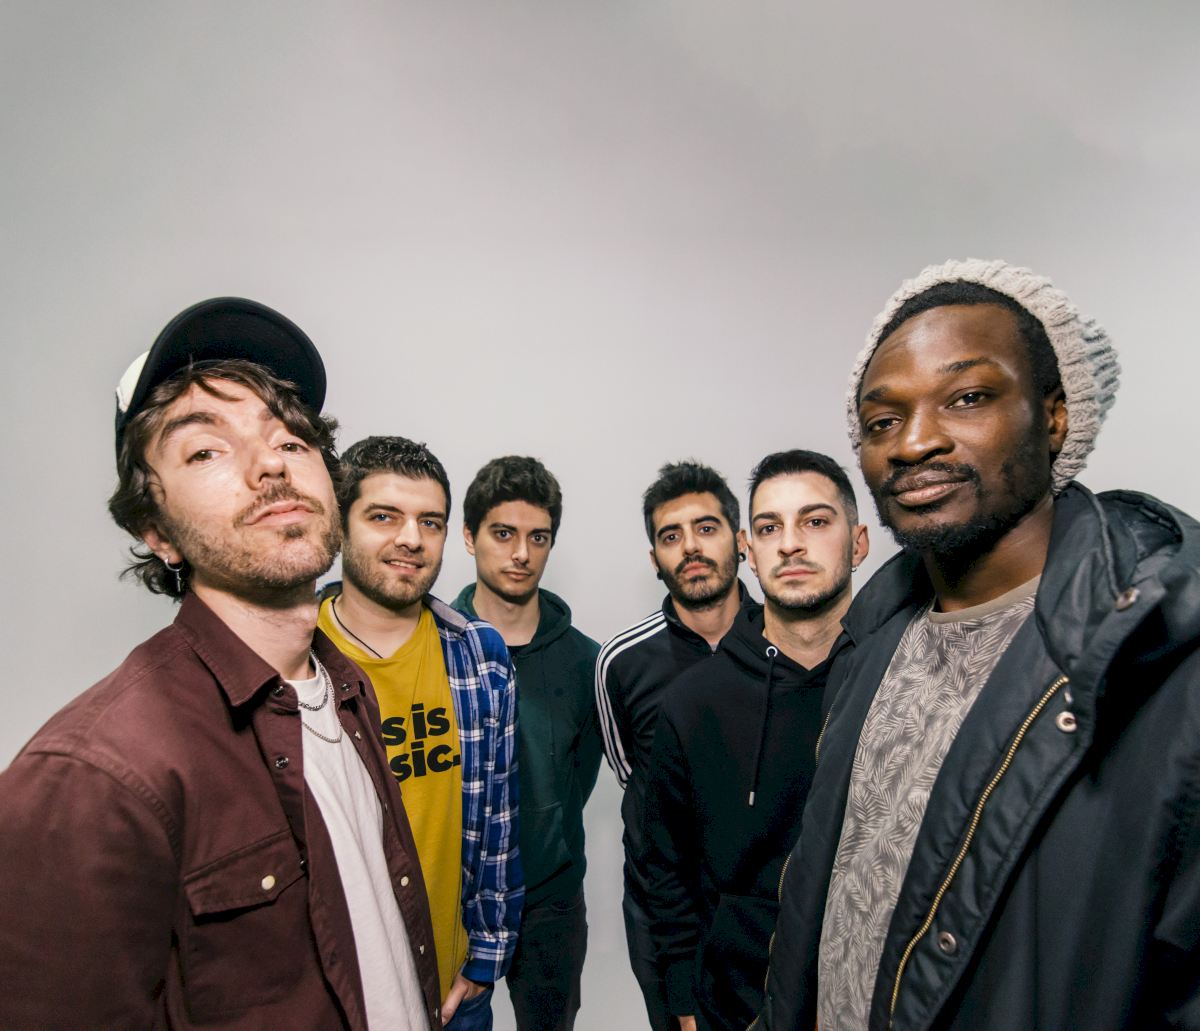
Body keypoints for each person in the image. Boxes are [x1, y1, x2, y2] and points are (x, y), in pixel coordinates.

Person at [760, 259, 1200, 1030]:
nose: (914, 441)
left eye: (967, 397)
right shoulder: (871, 637)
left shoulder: (1163, 662)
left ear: (1055, 415)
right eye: (882, 420)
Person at [0, 298, 439, 1029]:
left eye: (292, 439)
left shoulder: (347, 691)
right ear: (156, 530)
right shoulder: (89, 779)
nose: (271, 463)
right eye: (206, 450)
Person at [644, 450, 868, 1031]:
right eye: (770, 528)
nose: (790, 544)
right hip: (737, 1002)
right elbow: (665, 864)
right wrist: (684, 1003)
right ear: (749, 548)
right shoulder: (694, 701)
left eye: (815, 521)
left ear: (859, 543)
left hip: (873, 994)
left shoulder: (900, 682)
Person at [317, 436, 520, 1031]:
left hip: (456, 995)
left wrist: (484, 962)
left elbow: (499, 820)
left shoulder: (479, 653)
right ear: (339, 526)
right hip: (342, 997)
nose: (411, 538)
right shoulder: (292, 659)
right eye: (384, 516)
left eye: (429, 522)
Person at [596, 460, 755, 1030]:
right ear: (655, 558)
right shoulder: (621, 660)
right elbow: (632, 774)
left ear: (740, 541)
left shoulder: (788, 641)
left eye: (706, 528)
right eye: (671, 536)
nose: (690, 546)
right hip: (662, 912)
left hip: (762, 908)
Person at [451, 455, 603, 1031]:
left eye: (537, 538)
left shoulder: (586, 660)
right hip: (456, 897)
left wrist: (548, 829)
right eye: (503, 534)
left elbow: (581, 776)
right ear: (470, 536)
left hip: (551, 900)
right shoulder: (435, 647)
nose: (521, 553)